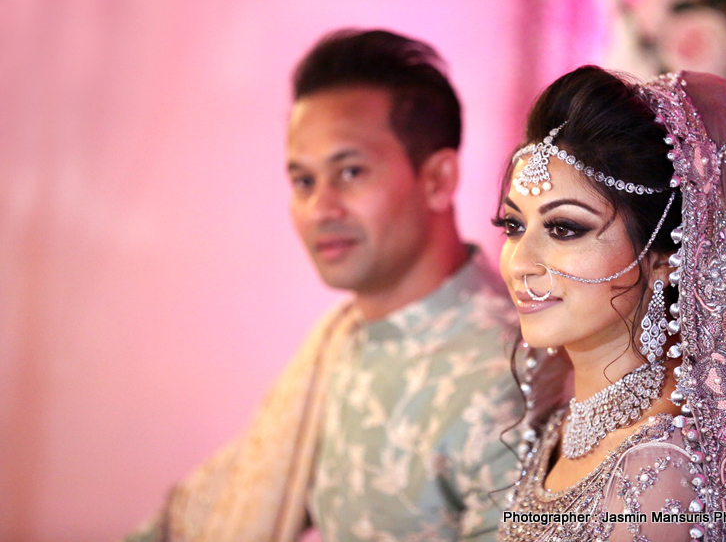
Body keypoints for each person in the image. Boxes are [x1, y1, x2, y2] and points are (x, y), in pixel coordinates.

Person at [123, 29, 553, 542]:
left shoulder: (512, 374)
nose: (321, 209)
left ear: (437, 179)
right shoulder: (338, 347)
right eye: (303, 182)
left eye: (349, 172)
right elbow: (207, 509)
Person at [495, 66, 726, 541]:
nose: (520, 264)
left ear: (662, 258)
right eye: (513, 227)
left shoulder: (658, 468)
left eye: (564, 228)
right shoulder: (560, 423)